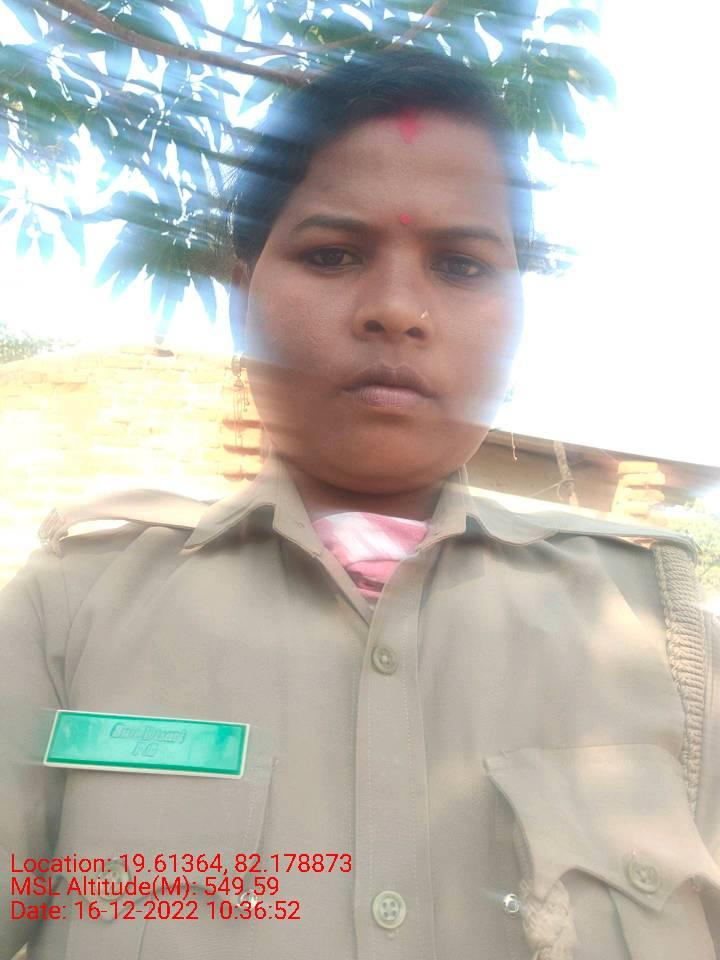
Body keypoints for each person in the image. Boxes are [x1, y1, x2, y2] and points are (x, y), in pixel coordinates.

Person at [1, 46, 719, 960]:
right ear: (241, 294)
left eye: (461, 265)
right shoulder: (68, 612)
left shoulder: (666, 640)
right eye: (333, 254)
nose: (397, 309)